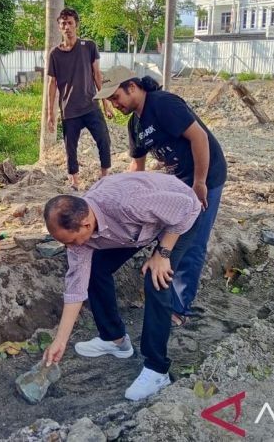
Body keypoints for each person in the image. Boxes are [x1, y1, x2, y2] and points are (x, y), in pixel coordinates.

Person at [41, 172, 207, 401]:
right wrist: (60, 340)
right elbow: (76, 286)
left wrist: (163, 252)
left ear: (86, 224)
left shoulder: (127, 203)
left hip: (179, 218)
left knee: (156, 278)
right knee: (95, 269)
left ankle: (157, 370)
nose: (69, 247)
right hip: (135, 230)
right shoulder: (80, 235)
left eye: (70, 241)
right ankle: (115, 340)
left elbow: (187, 206)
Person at [95, 66, 227, 328]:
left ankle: (179, 307)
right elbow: (137, 168)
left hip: (206, 176)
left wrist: (199, 182)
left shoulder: (163, 104)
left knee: (192, 242)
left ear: (132, 87)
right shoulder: (135, 124)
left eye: (115, 97)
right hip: (177, 183)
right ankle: (165, 295)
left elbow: (199, 137)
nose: (114, 104)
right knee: (169, 234)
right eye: (109, 100)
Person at [46, 7, 114, 190]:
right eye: (63, 24)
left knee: (104, 140)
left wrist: (106, 102)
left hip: (91, 105)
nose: (67, 27)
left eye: (70, 23)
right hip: (69, 110)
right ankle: (74, 181)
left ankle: (104, 175)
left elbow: (97, 75)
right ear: (59, 27)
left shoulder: (89, 46)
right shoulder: (55, 54)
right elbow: (52, 84)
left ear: (76, 25)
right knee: (70, 149)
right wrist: (50, 114)